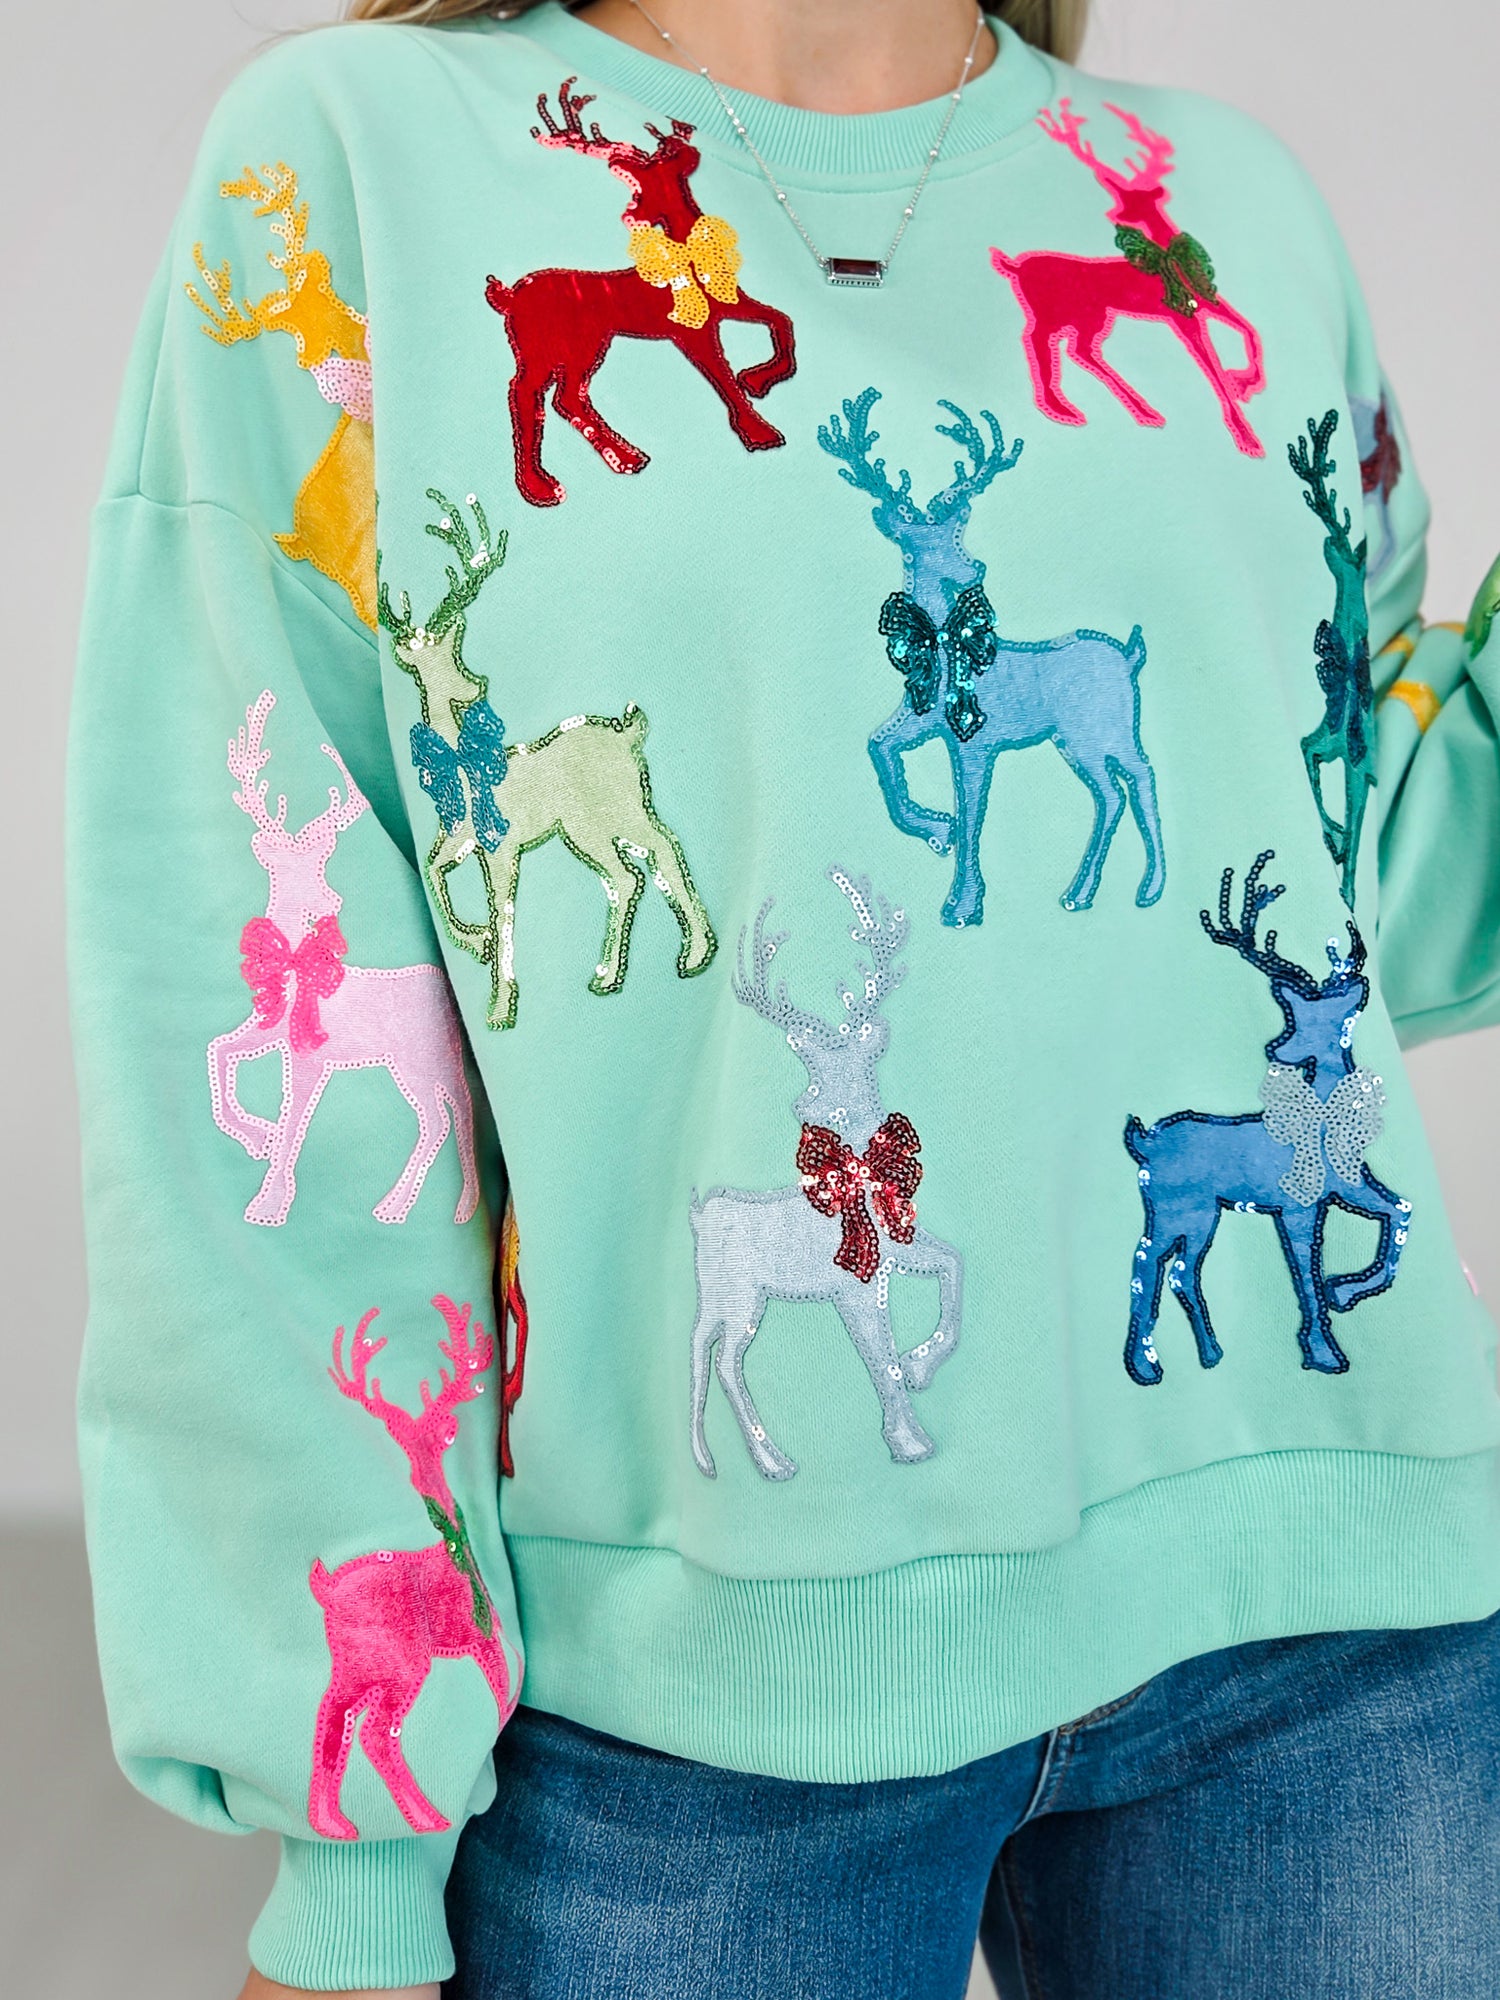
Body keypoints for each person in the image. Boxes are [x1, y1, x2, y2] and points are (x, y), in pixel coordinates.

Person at [67, 0, 1500, 1994]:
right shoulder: (361, 157)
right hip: (693, 1705)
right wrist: (352, 1854)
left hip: (1341, 1626)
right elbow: (256, 1040)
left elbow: (1374, 881)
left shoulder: (1216, 208)